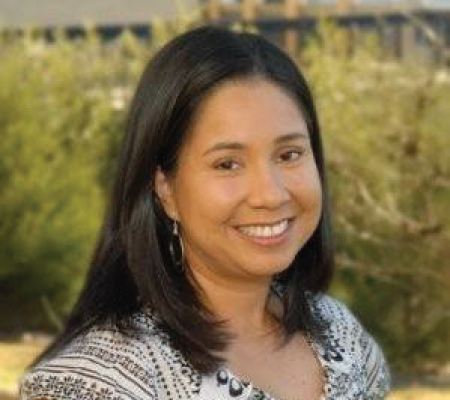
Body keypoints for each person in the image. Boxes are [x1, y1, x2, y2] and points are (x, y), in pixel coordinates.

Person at [20, 26, 390, 400]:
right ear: (165, 189)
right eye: (228, 164)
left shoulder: (342, 336)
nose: (270, 194)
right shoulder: (97, 383)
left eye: (289, 154)